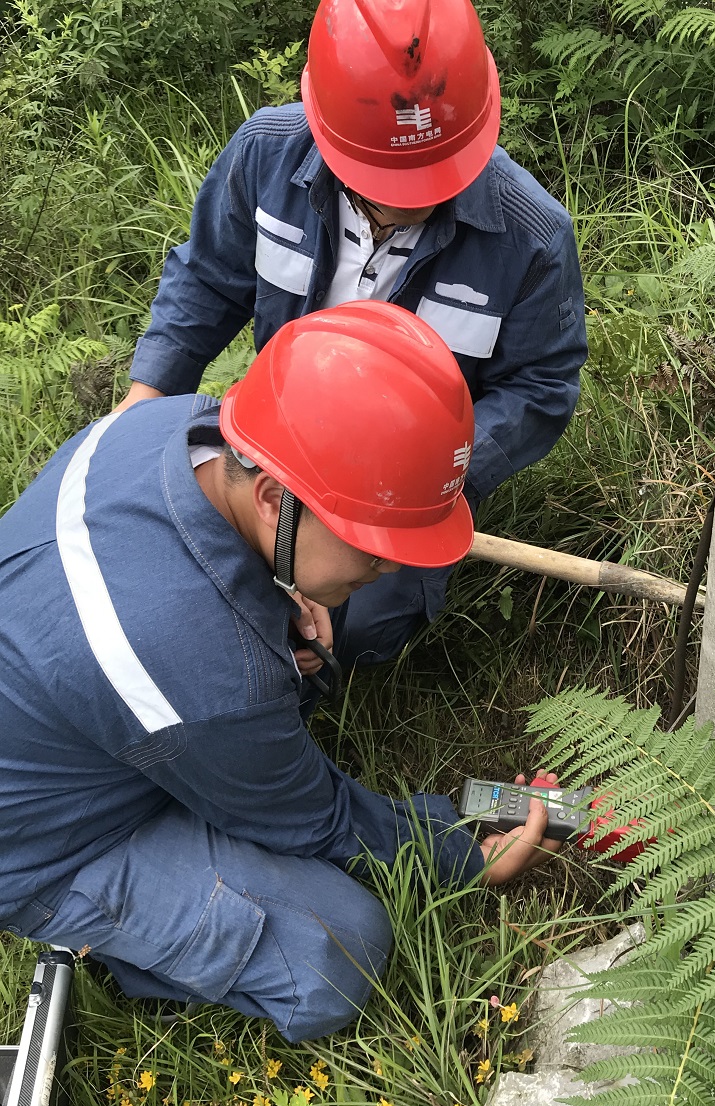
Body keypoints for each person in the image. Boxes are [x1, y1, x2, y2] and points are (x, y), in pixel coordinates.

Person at [0, 302, 560, 1043]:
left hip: (83, 707)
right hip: (41, 847)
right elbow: (314, 818)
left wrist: (282, 591)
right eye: (373, 546)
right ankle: (98, 938)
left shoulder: (175, 426)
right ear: (273, 500)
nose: (389, 566)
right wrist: (456, 855)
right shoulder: (207, 669)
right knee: (337, 950)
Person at [119, 0, 587, 669]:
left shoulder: (532, 240)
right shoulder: (264, 157)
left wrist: (437, 477)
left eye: (428, 183)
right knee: (195, 584)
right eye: (380, 186)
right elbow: (208, 279)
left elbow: (541, 386)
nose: (405, 202)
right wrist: (147, 399)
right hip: (273, 442)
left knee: (357, 629)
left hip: (406, 492)